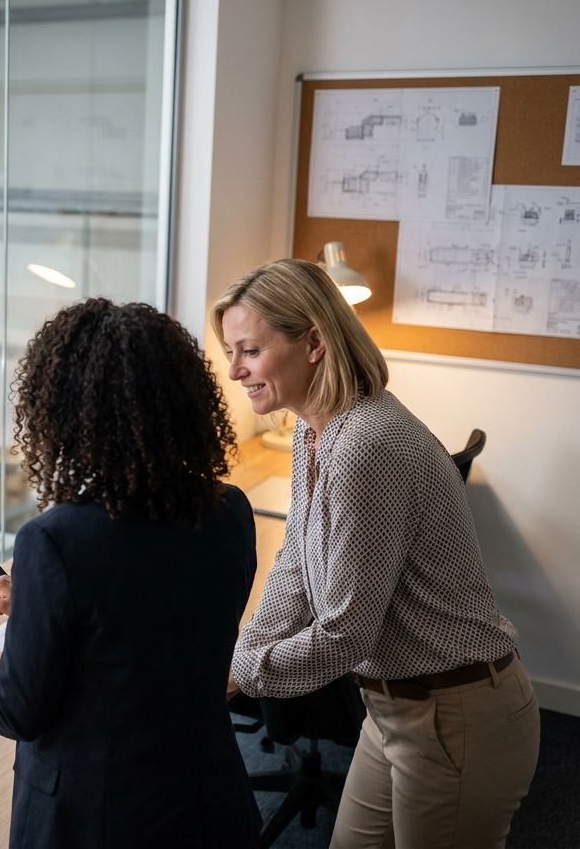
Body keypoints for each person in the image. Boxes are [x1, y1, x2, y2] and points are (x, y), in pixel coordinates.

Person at [0, 298, 262, 849]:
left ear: (63, 414)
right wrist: (44, 603)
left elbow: (18, 709)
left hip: (100, 820)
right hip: (210, 802)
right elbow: (152, 622)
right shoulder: (230, 509)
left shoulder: (55, 539)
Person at [212, 259, 539, 849]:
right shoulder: (316, 432)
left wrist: (242, 674)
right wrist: (246, 651)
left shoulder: (365, 445)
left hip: (456, 717)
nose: (234, 370)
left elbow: (346, 633)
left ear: (313, 342)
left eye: (249, 350)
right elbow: (294, 563)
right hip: (391, 710)